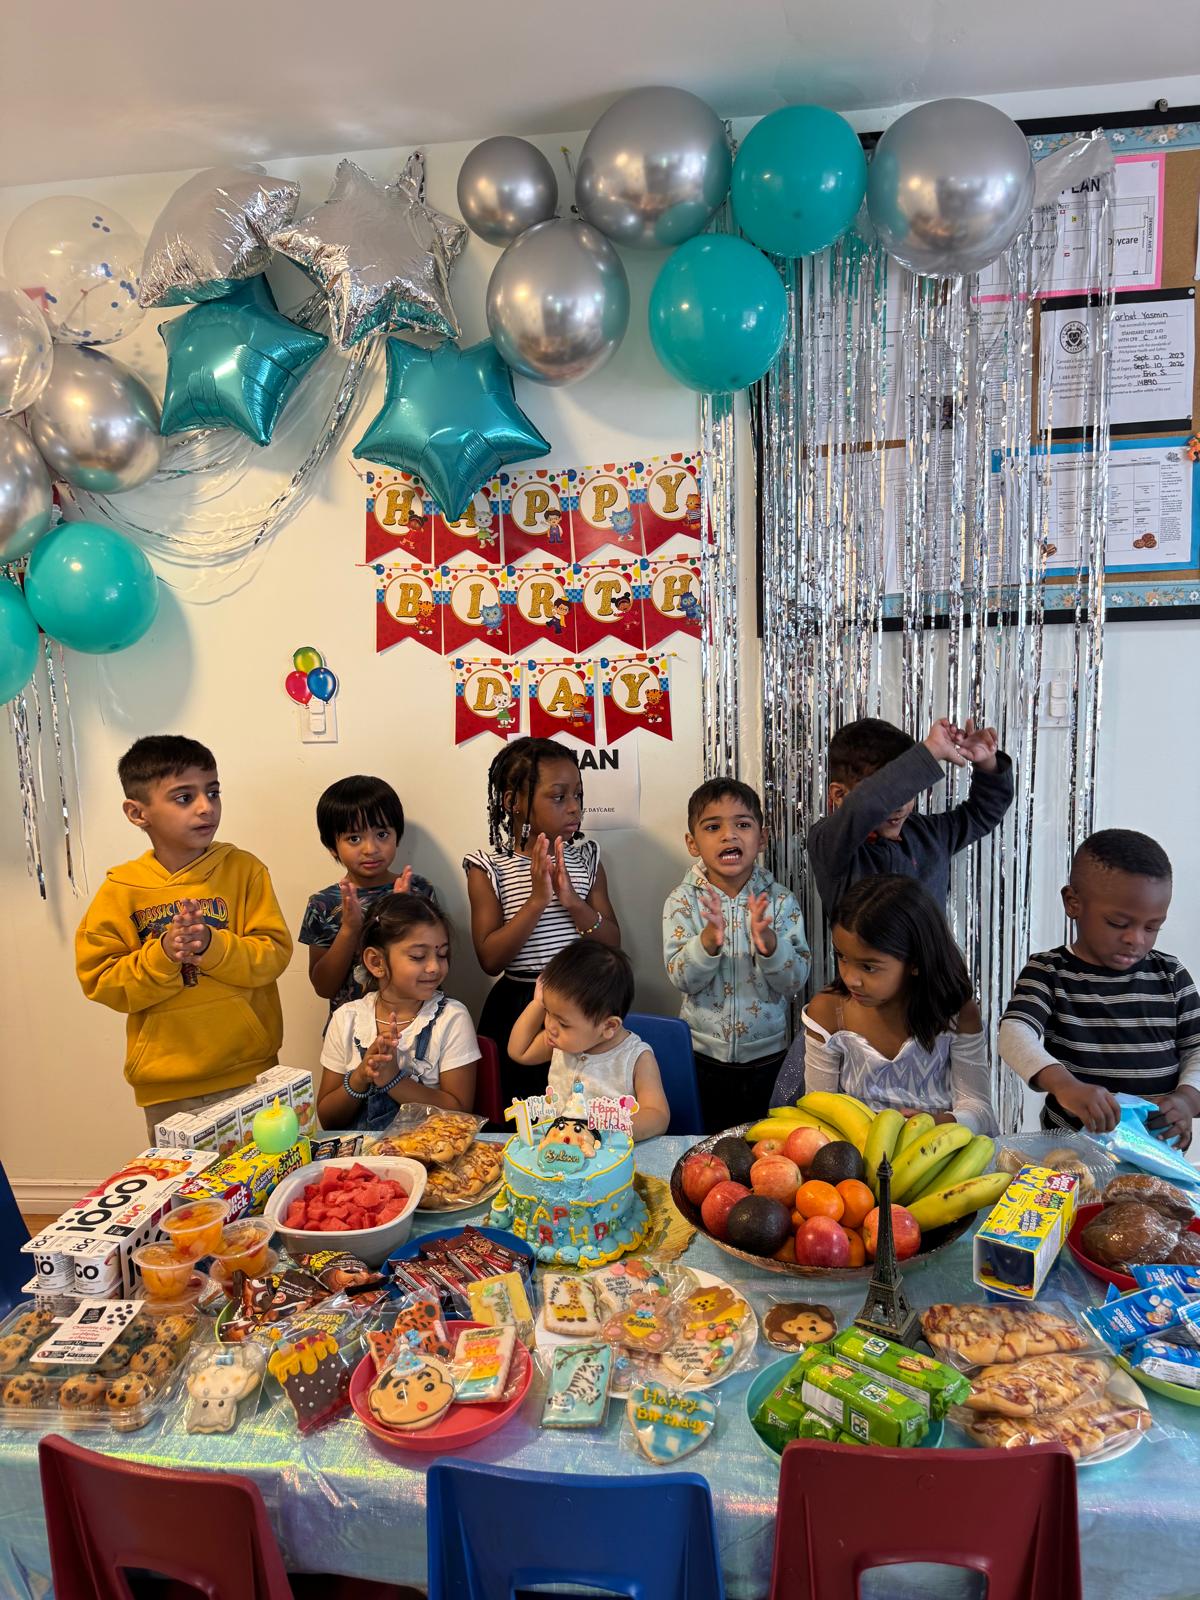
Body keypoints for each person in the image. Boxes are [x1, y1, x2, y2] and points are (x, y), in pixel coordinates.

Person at [75, 735, 292, 1142]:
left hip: (252, 1069)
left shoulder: (244, 871)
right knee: (190, 1198)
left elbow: (273, 954)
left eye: (213, 792)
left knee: (263, 1183)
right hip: (168, 1086)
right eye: (183, 797)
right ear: (138, 813)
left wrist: (213, 947)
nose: (206, 806)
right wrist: (163, 955)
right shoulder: (121, 890)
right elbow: (101, 980)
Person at [999, 829, 1200, 1144]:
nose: (1136, 939)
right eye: (1118, 924)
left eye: (1152, 927)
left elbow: (1197, 1050)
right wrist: (1066, 1086)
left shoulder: (1171, 975)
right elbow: (1014, 1035)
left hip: (1158, 1155)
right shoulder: (1050, 972)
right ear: (1073, 903)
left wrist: (1188, 1099)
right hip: (1070, 1153)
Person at [771, 875, 997, 1133]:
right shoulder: (828, 1012)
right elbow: (819, 1113)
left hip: (939, 1151)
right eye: (842, 957)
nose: (850, 978)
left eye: (869, 966)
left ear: (915, 962)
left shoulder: (957, 1014)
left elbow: (980, 1111)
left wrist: (935, 1123)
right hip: (852, 1162)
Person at [464, 737, 620, 1106]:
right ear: (512, 802)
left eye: (577, 796)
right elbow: (490, 959)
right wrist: (538, 900)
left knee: (584, 1109)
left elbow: (613, 942)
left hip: (586, 1002)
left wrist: (571, 902)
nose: (573, 809)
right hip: (520, 1008)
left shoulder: (587, 859)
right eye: (558, 796)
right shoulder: (488, 868)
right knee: (526, 1115)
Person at [663, 778, 811, 1133]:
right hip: (701, 1057)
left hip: (769, 1057)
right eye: (713, 827)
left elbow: (795, 981)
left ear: (761, 838)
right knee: (706, 1150)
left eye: (742, 824)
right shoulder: (682, 902)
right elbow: (681, 977)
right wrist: (708, 943)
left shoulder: (780, 901)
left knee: (761, 1149)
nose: (729, 835)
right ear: (692, 843)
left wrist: (771, 946)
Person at [807, 715, 1014, 919]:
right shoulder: (830, 844)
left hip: (936, 954)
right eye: (892, 793)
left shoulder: (930, 834)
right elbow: (863, 806)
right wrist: (931, 751)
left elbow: (982, 813)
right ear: (840, 795)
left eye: (909, 792)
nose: (900, 805)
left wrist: (987, 763)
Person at [317, 893, 479, 1131]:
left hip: (427, 1159)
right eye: (418, 956)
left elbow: (460, 1116)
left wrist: (394, 1080)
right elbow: (329, 1120)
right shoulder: (347, 1018)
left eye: (442, 954)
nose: (435, 967)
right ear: (376, 962)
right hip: (361, 1163)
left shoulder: (451, 1018)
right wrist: (361, 1076)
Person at [300, 774, 435, 1014]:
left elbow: (433, 967)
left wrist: (402, 910)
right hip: (351, 1034)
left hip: (417, 1024)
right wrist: (349, 929)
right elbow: (324, 987)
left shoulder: (418, 891)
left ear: (397, 835)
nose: (371, 849)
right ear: (332, 848)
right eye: (354, 838)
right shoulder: (323, 904)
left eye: (382, 834)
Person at [507, 943, 669, 1141]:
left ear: (609, 1027)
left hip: (605, 1159)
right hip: (552, 1151)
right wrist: (538, 1003)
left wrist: (603, 1133)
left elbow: (657, 1115)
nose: (550, 1026)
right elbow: (519, 1051)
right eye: (548, 1013)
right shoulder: (559, 1042)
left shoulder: (636, 1058)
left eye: (563, 1023)